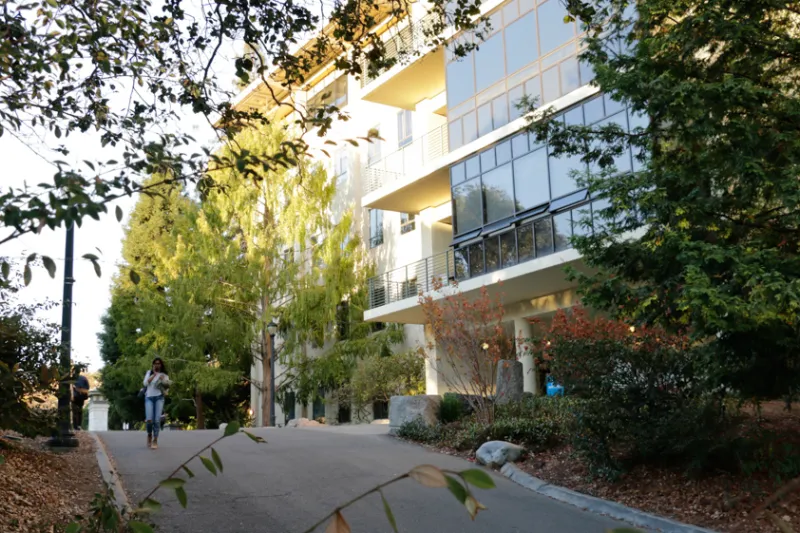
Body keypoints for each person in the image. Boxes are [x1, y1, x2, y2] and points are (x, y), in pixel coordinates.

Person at [142, 357, 170, 449]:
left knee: (157, 420)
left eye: (158, 363)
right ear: (153, 365)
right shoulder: (149, 373)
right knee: (149, 420)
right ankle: (149, 434)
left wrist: (162, 380)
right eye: (155, 363)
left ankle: (155, 440)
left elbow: (167, 388)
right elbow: (145, 383)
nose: (157, 365)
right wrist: (153, 375)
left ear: (161, 365)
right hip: (149, 398)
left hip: (159, 398)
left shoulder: (164, 375)